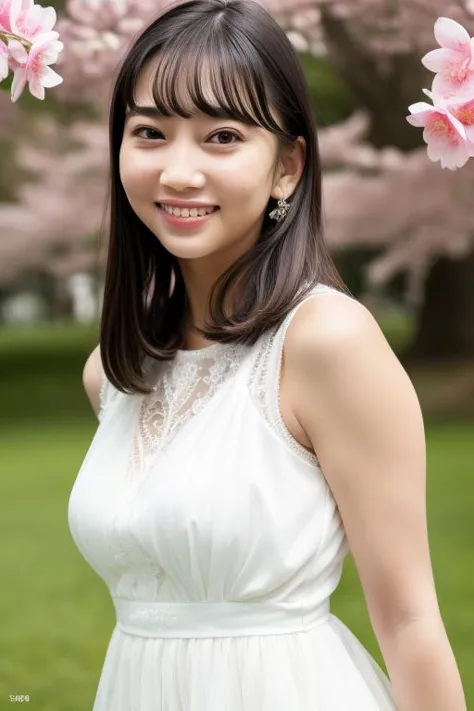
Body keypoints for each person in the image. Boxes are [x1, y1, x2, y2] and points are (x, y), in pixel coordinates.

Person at [69, 0, 467, 709]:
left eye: (221, 136)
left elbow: (408, 620)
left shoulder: (326, 343)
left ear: (288, 166)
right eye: (150, 132)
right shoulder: (113, 373)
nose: (179, 172)